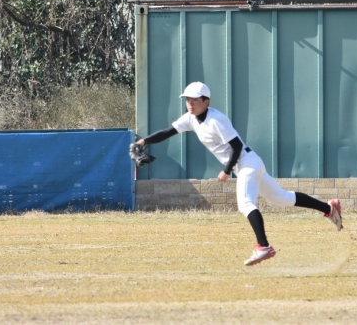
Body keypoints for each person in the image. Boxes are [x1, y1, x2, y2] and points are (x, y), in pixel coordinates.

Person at [136, 81, 343, 266]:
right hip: (248, 163)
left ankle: (263, 246)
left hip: (246, 163)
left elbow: (236, 146)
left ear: (206, 101)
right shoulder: (190, 118)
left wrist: (227, 171)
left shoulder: (217, 120)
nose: (190, 103)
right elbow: (168, 131)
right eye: (187, 99)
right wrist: (143, 141)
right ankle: (329, 208)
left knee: (245, 204)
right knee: (282, 198)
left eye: (195, 100)